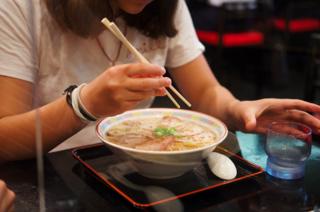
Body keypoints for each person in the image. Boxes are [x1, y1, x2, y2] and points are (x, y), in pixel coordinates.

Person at [0, 0, 320, 162]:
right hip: (51, 173)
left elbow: (205, 92)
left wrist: (239, 110)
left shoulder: (167, 6)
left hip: (139, 165)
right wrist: (83, 105)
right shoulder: (21, 8)